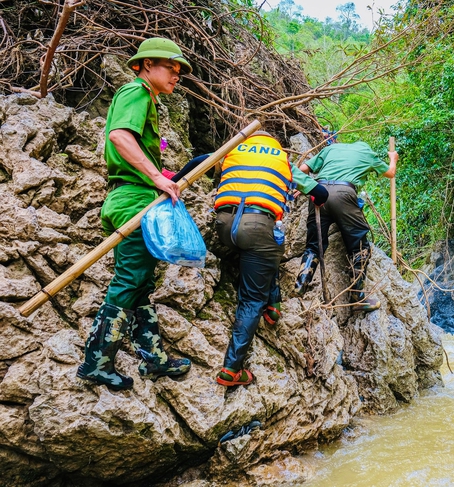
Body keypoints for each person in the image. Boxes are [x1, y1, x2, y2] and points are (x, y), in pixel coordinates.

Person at [76, 38, 193, 391]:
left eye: (178, 72)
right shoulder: (136, 92)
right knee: (129, 282)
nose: (176, 76)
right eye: (170, 69)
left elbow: (134, 149)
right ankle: (96, 362)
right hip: (133, 202)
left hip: (133, 197)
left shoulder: (147, 99)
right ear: (144, 66)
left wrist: (161, 176)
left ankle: (154, 360)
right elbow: (119, 137)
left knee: (140, 284)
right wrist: (157, 177)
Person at [213, 131, 329, 387]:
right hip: (257, 227)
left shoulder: (233, 151)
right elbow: (320, 193)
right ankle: (232, 369)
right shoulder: (282, 161)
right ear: (274, 144)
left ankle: (272, 305)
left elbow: (197, 164)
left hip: (223, 224)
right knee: (252, 296)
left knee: (268, 250)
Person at [293, 139, 398, 312]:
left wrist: (304, 186)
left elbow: (303, 169)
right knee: (360, 246)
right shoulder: (367, 153)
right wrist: (393, 158)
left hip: (317, 191)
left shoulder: (330, 149)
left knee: (313, 246)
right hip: (343, 194)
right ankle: (357, 297)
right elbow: (391, 173)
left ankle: (300, 284)